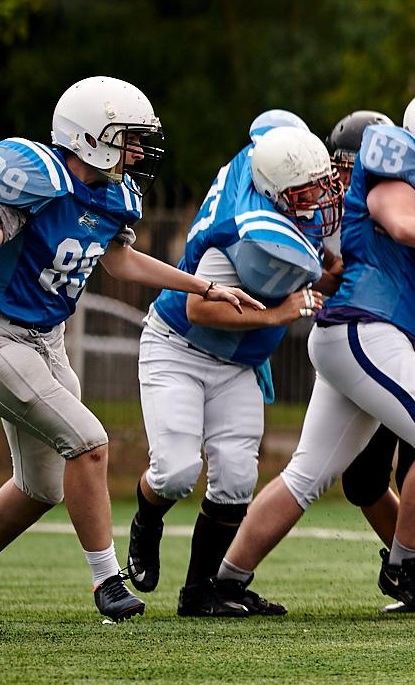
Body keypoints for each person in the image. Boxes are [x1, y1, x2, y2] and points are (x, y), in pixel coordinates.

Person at [0, 78, 263, 629]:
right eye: (127, 139)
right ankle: (107, 579)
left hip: (46, 340)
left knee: (39, 487)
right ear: (89, 136)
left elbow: (121, 263)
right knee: (90, 443)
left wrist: (205, 287)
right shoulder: (39, 181)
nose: (137, 152)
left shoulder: (114, 195)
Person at [211, 86, 415, 617]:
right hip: (365, 326)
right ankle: (404, 566)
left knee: (307, 475)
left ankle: (226, 578)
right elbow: (401, 223)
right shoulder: (396, 167)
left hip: (363, 335)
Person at [126, 124, 340, 615]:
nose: (322, 196)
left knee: (238, 479)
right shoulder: (243, 233)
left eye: (321, 183)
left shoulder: (271, 173)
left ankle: (199, 592)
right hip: (180, 346)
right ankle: (147, 517)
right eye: (309, 190)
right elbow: (202, 310)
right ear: (278, 195)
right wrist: (279, 314)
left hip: (239, 362)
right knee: (176, 472)